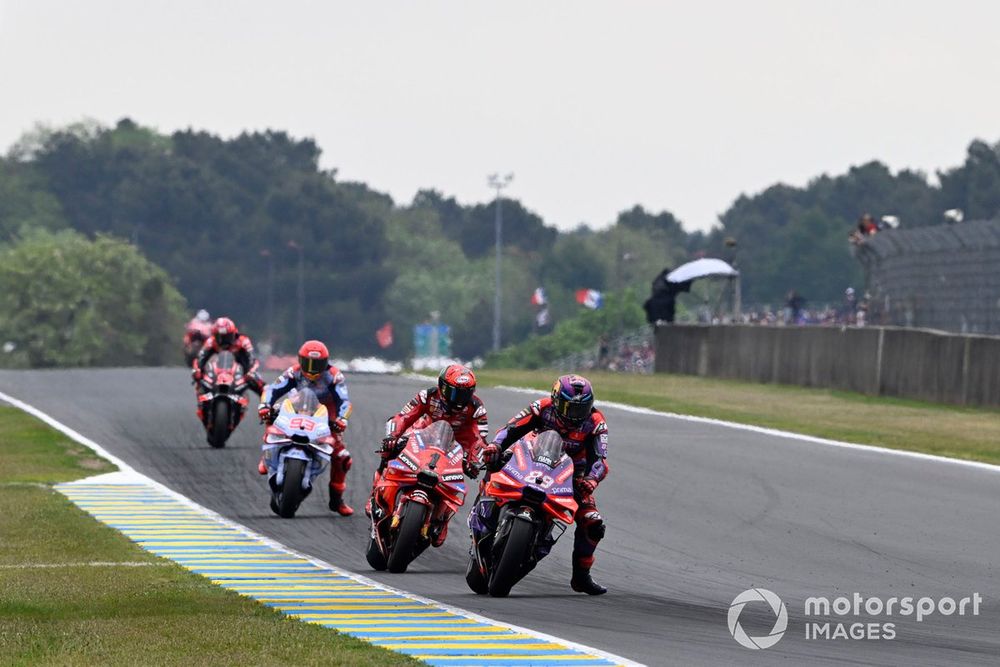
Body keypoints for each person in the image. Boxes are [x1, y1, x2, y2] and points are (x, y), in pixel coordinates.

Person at [482, 374, 610, 595]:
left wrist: (591, 479)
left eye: (581, 408)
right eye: (569, 407)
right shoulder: (541, 407)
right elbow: (510, 429)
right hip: (529, 459)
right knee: (494, 464)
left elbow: (600, 460)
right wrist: (495, 446)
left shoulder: (596, 422)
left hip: (572, 474)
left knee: (593, 523)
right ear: (556, 400)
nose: (574, 415)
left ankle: (581, 577)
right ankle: (484, 518)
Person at [375, 364, 488, 546]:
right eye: (454, 392)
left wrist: (474, 460)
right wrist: (392, 436)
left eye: (464, 393)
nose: (459, 399)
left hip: (455, 445)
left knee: (458, 478)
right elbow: (403, 417)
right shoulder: (427, 395)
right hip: (423, 433)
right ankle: (379, 488)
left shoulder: (476, 407)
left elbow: (479, 438)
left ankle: (441, 519)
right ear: (442, 386)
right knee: (391, 448)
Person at [257, 340, 354, 516]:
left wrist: (341, 419)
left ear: (325, 363)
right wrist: (264, 405)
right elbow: (273, 389)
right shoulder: (293, 372)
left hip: (325, 415)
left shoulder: (335, 376)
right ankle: (266, 456)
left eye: (317, 364)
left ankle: (336, 500)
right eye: (308, 363)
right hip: (296, 407)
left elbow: (345, 401)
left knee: (342, 457)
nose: (311, 368)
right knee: (271, 413)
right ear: (300, 360)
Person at [192, 317, 265, 413]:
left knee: (262, 386)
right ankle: (202, 404)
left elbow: (251, 358)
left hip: (241, 373)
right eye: (220, 337)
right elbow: (200, 357)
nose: (223, 341)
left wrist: (251, 371)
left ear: (234, 333)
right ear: (215, 336)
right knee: (198, 378)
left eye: (227, 337)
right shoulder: (211, 342)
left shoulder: (243, 341)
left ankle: (266, 408)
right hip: (218, 373)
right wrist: (197, 370)